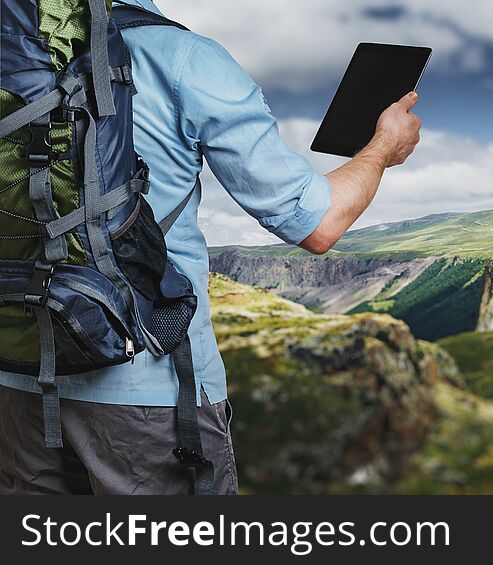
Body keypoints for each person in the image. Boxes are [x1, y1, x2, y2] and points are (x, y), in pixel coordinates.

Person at [0, 0, 422, 495]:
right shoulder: (181, 56)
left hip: (18, 380)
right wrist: (380, 148)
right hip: (149, 386)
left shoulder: (11, 55)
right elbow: (318, 224)